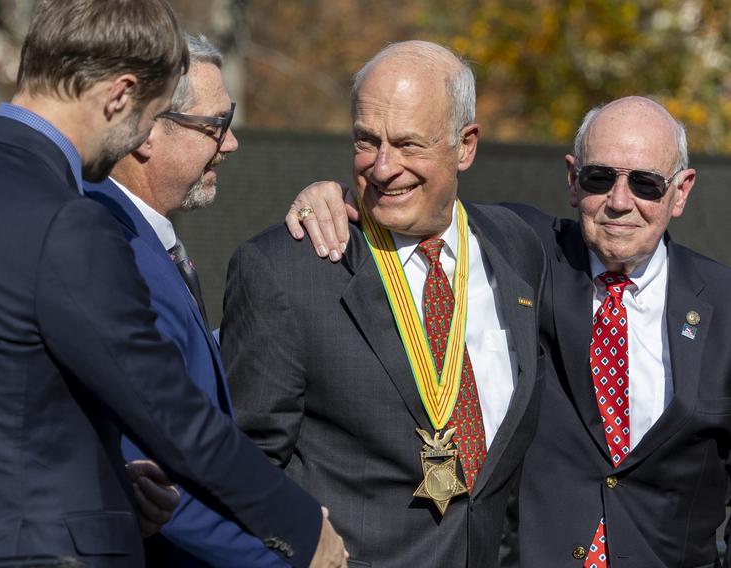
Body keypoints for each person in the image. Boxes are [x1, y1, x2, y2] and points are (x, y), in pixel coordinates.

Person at [0, 1, 346, 566]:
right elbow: (170, 413)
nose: (141, 135)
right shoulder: (65, 221)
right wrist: (302, 532)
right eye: (149, 111)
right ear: (119, 95)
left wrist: (118, 488)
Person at [288, 96, 731, 566]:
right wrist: (335, 194)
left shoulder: (723, 305)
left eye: (645, 184)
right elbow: (418, 206)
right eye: (599, 178)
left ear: (681, 192)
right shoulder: (520, 251)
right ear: (572, 181)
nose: (619, 203)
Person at [220, 41, 547, 567]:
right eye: (366, 141)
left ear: (466, 145)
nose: (382, 167)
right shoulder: (288, 269)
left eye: (409, 144)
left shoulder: (518, 246)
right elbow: (244, 465)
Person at [84, 34, 286, 567]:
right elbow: (157, 482)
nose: (231, 142)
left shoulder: (144, 237)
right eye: (215, 125)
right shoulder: (107, 251)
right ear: (147, 131)